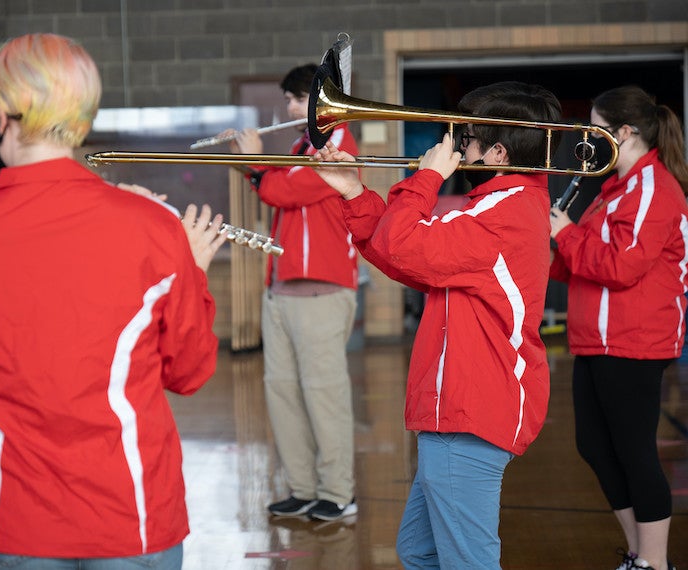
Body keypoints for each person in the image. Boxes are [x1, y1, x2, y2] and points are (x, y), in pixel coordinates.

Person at [0, 33, 227, 569]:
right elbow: (188, 371)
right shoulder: (155, 230)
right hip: (131, 517)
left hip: (8, 522)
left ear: (3, 118)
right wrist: (190, 271)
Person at [312, 81, 560, 569]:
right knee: (419, 551)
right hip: (462, 409)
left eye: (466, 139)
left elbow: (404, 245)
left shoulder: (499, 214)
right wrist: (356, 193)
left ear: (497, 152)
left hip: (469, 410)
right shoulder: (503, 206)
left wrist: (426, 179)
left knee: (467, 561)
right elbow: (408, 259)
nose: (456, 147)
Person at [549, 85, 688, 570]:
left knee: (634, 452)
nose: (590, 138)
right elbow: (576, 258)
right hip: (597, 340)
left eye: (597, 128)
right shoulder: (616, 188)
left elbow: (622, 266)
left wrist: (563, 233)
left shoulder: (653, 187)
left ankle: (654, 562)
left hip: (633, 341)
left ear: (624, 132)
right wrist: (548, 238)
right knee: (594, 446)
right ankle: (639, 553)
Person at [224, 63, 359, 521]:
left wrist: (256, 162)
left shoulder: (337, 140)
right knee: (282, 392)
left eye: (299, 99)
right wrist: (254, 165)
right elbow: (274, 187)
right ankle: (302, 488)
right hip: (281, 290)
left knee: (323, 394)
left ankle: (338, 492)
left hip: (322, 292)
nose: (291, 108)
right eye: (289, 100)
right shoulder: (302, 144)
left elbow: (288, 189)